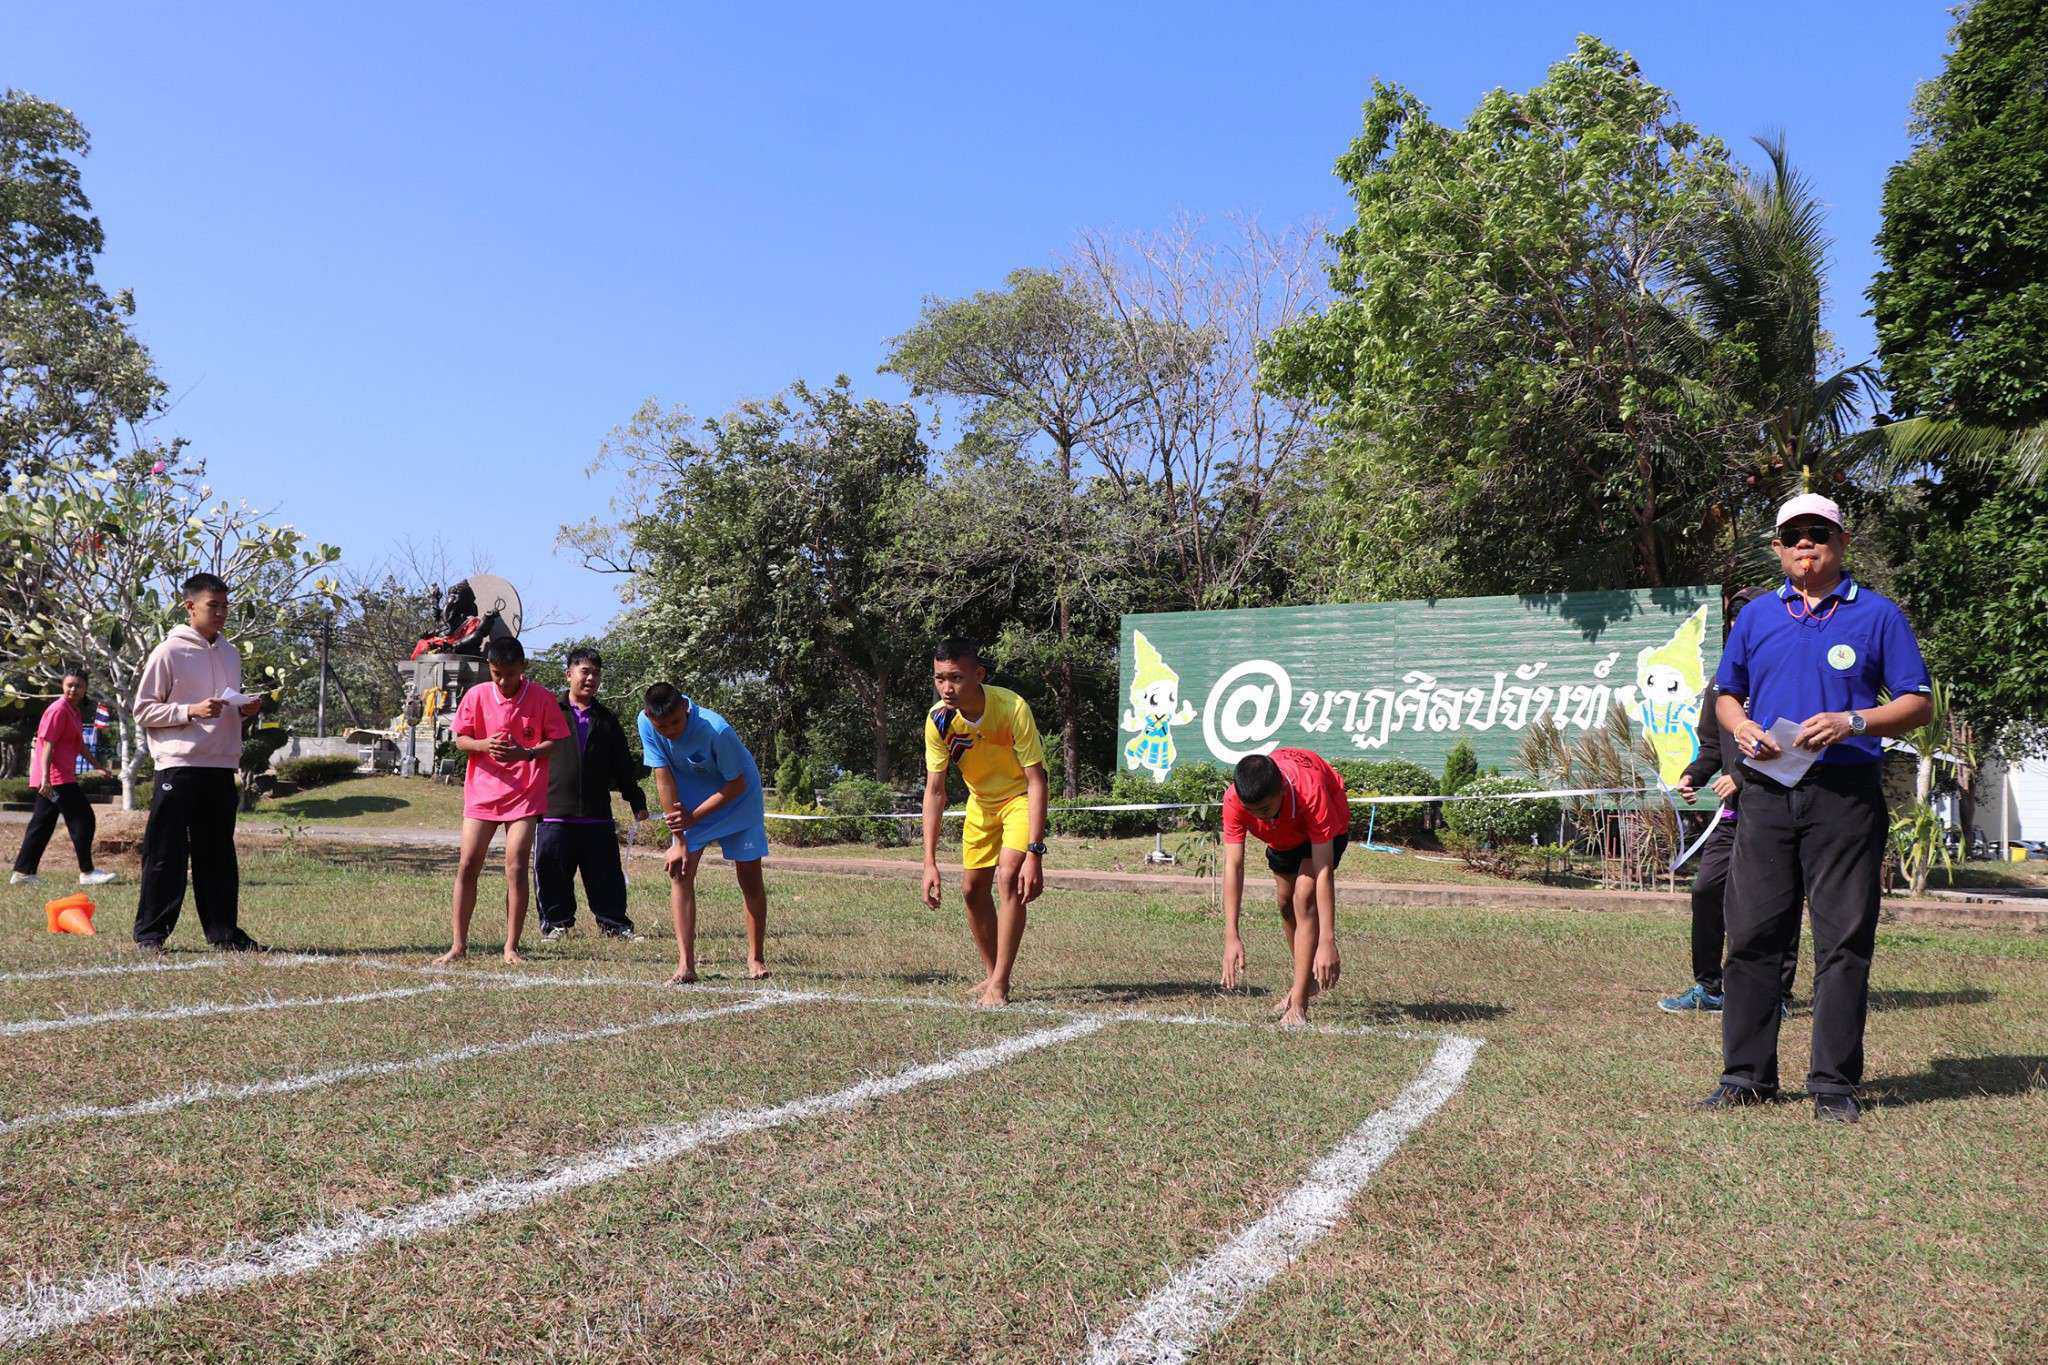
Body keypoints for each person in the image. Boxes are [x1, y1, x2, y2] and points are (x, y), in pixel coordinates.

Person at [1700, 494, 1932, 1123]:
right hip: (1767, 792)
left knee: (1843, 940)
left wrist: (1853, 720)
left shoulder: (1877, 614)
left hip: (1845, 795)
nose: (1806, 543)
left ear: (1841, 543)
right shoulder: (1755, 616)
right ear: (1778, 548)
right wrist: (1741, 727)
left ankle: (1832, 1084)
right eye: (1794, 534)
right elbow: (1727, 694)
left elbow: (1917, 702)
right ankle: (1746, 1077)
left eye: (1819, 533)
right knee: (1753, 935)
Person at [1659, 586, 1801, 1014]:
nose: (1744, 629)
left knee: (1777, 901)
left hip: (1778, 809)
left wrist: (1740, 777)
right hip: (1733, 817)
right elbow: (1711, 746)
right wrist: (1694, 774)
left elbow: (1794, 743)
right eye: (1737, 622)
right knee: (1706, 891)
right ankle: (1709, 988)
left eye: (1752, 620)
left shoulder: (1790, 673)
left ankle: (1775, 994)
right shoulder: (1722, 684)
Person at [131, 573, 267, 952]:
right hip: (179, 765)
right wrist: (190, 710)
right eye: (213, 606)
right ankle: (151, 935)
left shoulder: (231, 653)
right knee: (166, 854)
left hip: (221, 765)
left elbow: (225, 706)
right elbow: (143, 711)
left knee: (218, 855)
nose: (221, 613)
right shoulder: (168, 652)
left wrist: (244, 709)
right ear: (190, 607)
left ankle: (224, 933)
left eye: (225, 606)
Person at [919, 637, 1048, 1008]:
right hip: (980, 805)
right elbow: (935, 791)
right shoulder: (938, 720)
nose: (947, 688)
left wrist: (1035, 853)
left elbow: (1037, 781)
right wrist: (929, 862)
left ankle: (1001, 983)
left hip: (1019, 799)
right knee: (972, 891)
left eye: (956, 678)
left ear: (978, 675)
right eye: (940, 678)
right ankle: (992, 973)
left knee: (1008, 877)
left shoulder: (1012, 708)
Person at [437, 635, 568, 965]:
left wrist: (526, 753)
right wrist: (483, 745)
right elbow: (462, 739)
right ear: (489, 668)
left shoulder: (542, 698)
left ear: (523, 667)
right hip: (482, 794)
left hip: (525, 794)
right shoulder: (476, 695)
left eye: (510, 674)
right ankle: (458, 945)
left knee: (516, 866)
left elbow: (556, 742)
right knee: (468, 864)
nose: (503, 681)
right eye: (497, 673)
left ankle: (511, 947)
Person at [638, 682, 771, 985]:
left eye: (675, 723)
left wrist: (693, 817)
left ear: (685, 708)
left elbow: (736, 783)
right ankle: (686, 965)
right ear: (649, 716)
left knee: (749, 877)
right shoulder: (646, 723)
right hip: (691, 803)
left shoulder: (716, 730)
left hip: (738, 799)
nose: (670, 731)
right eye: (662, 726)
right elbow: (663, 777)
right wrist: (679, 840)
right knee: (680, 872)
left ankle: (755, 957)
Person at [1217, 748, 1348, 1027]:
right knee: (1286, 902)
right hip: (1285, 835)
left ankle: (1298, 1004)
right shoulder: (1234, 799)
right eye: (1252, 812)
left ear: (1282, 792)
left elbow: (1323, 870)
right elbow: (1233, 866)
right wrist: (1231, 934)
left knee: (1304, 898)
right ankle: (1306, 981)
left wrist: (1327, 940)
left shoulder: (1310, 791)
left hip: (1324, 825)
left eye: (1264, 810)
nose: (1259, 819)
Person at [537, 648, 649, 941]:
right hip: (554, 813)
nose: (590, 679)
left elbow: (623, 766)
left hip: (596, 815)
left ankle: (614, 924)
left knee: (606, 877)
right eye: (584, 671)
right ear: (569, 674)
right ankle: (556, 924)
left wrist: (636, 799)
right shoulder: (549, 711)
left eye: (596, 674)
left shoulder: (607, 719)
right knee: (552, 874)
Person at [10, 668, 117, 887]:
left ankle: (22, 873)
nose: (73, 689)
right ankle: (87, 872)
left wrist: (98, 767)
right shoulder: (58, 710)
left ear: (85, 688)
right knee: (83, 819)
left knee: (42, 824)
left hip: (59, 777)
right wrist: (46, 779)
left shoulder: (73, 710)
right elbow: (47, 745)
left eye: (78, 686)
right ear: (63, 685)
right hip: (56, 779)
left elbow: (79, 745)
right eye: (70, 685)